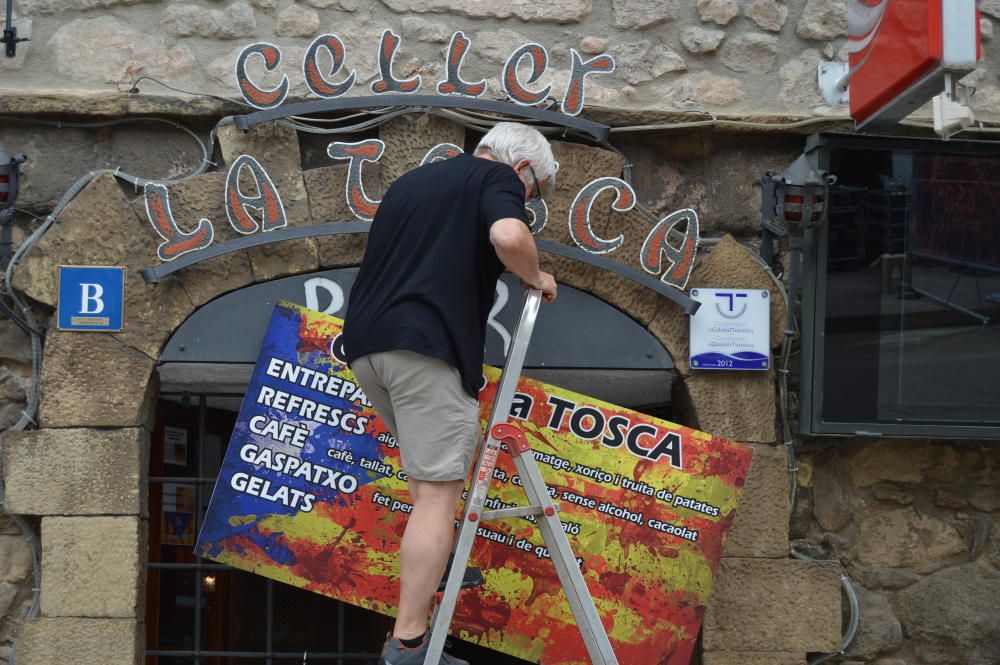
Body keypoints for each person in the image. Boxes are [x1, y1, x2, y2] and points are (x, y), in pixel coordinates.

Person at [343, 121, 558, 665]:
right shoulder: (498, 179)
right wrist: (536, 277)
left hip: (369, 348)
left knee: (427, 487)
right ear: (524, 169)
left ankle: (442, 567)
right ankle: (410, 641)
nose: (525, 200)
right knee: (439, 494)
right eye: (532, 194)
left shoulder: (412, 184)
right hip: (427, 348)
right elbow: (509, 237)